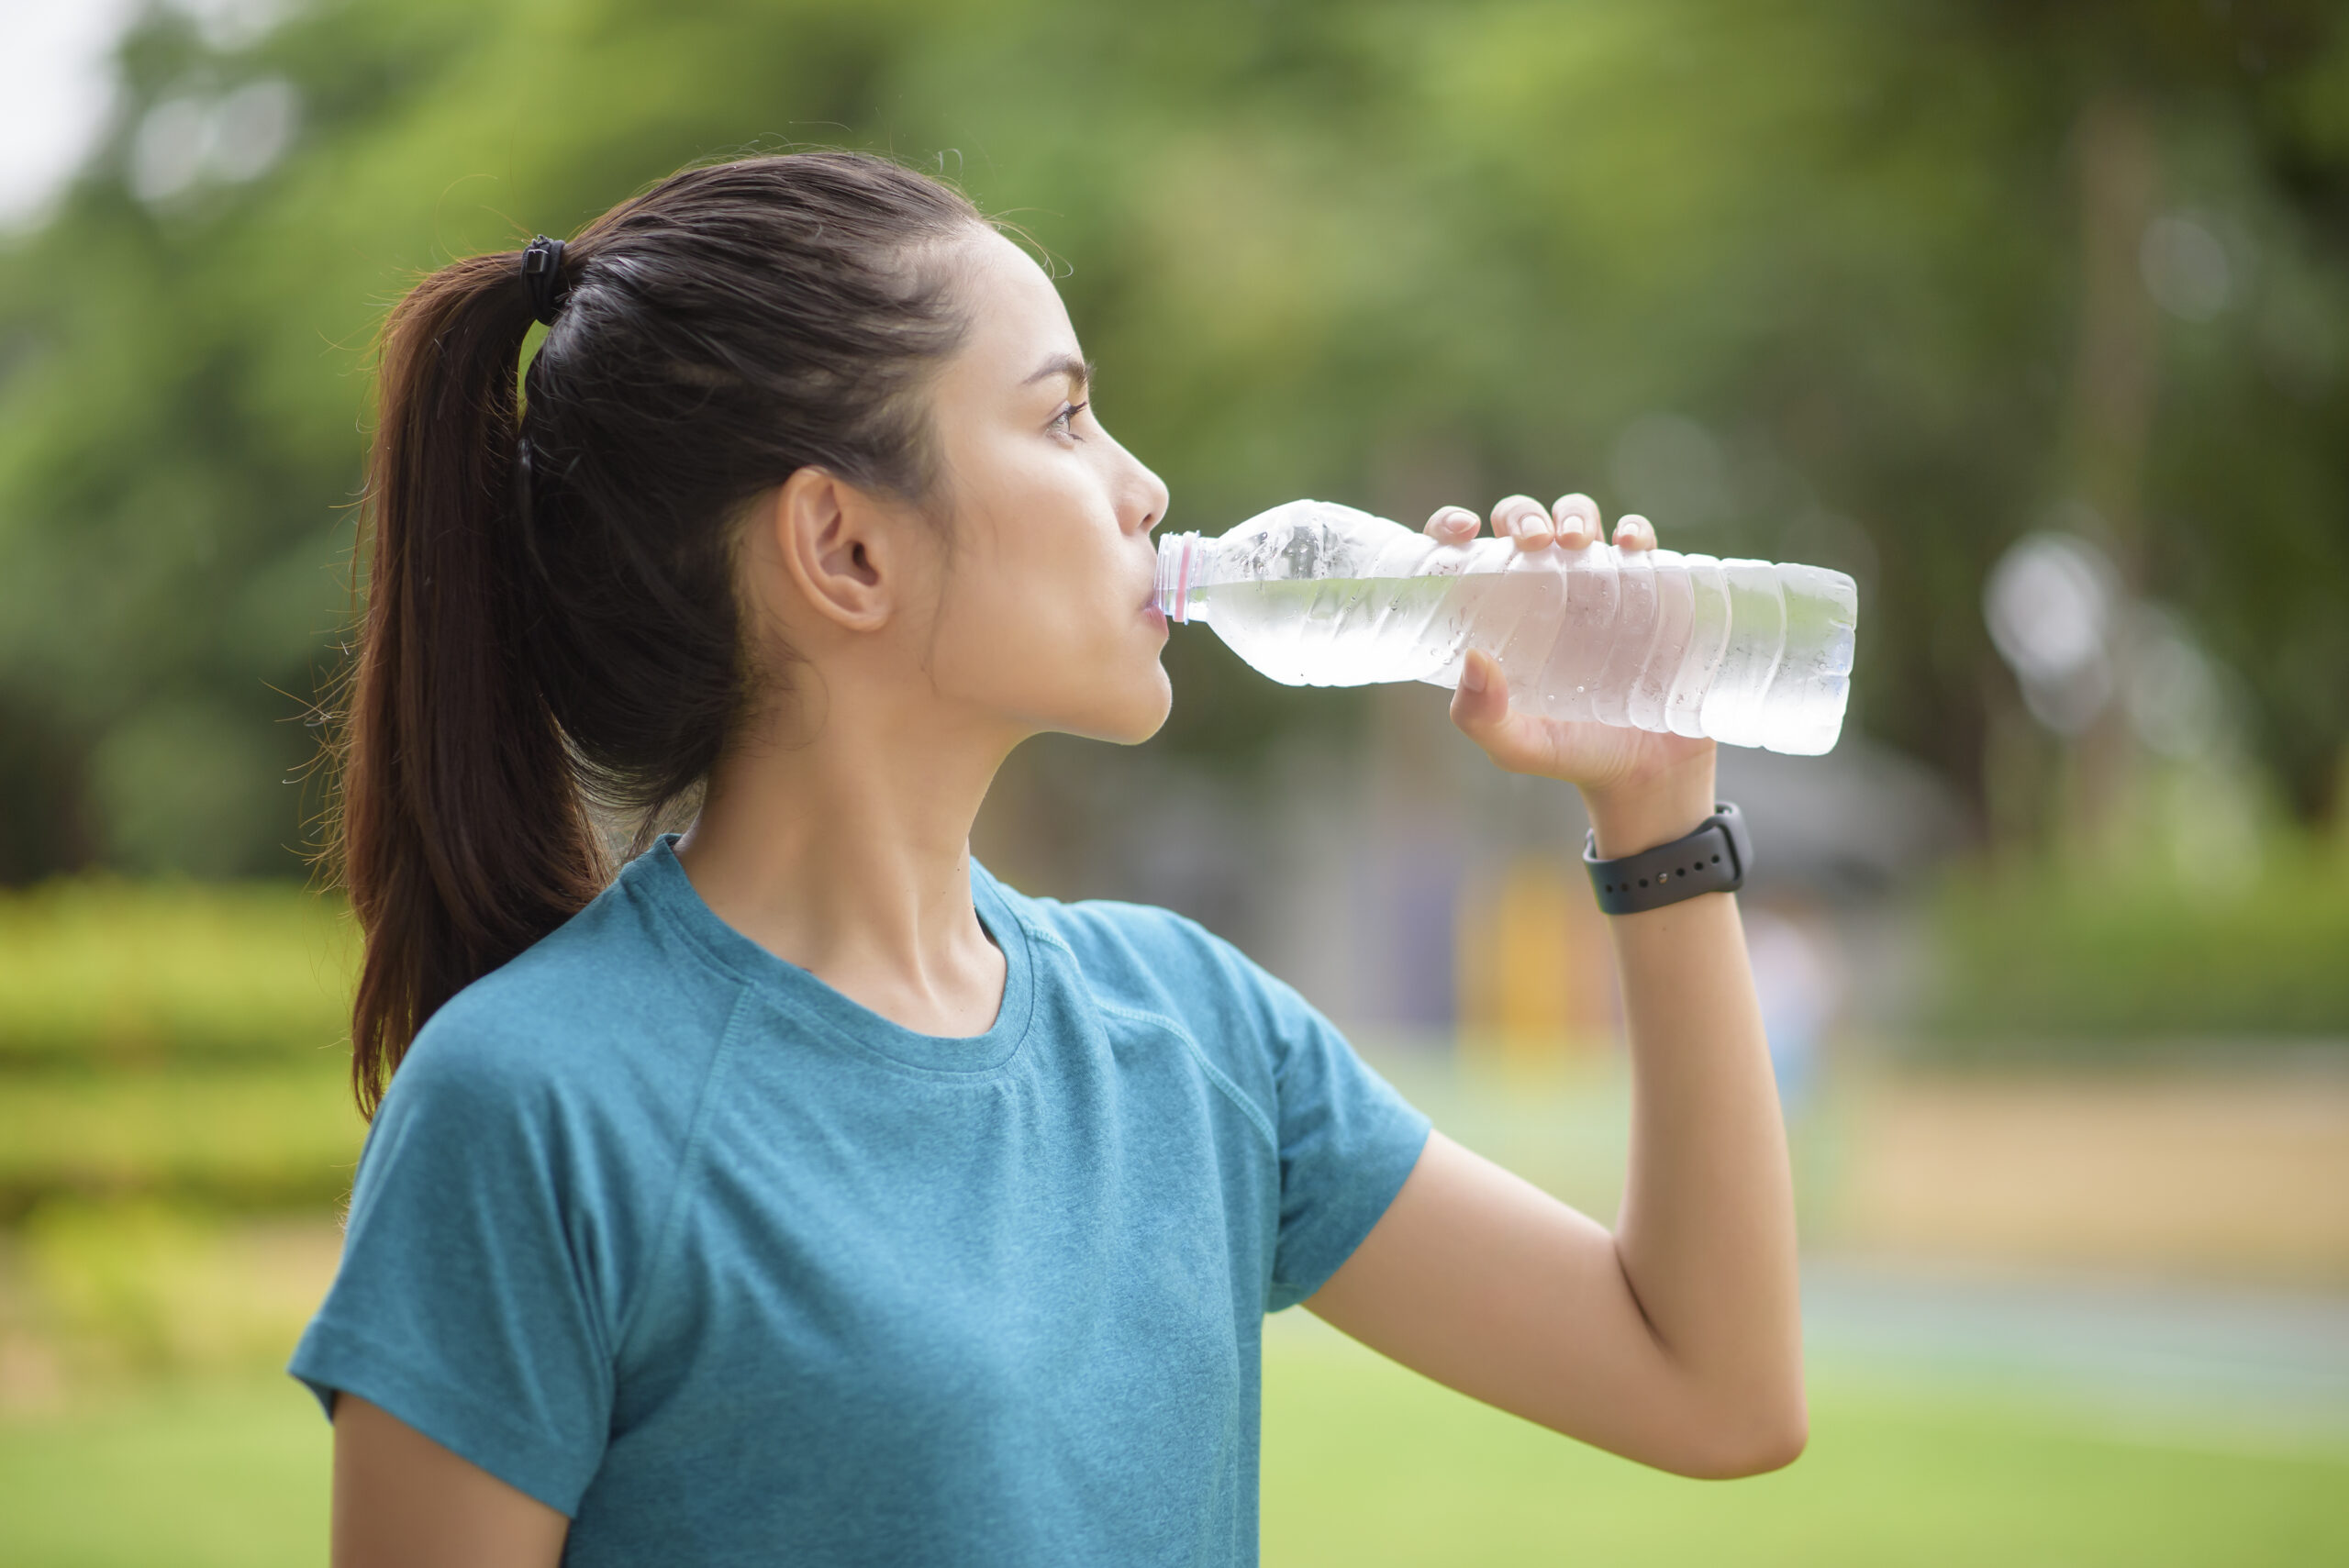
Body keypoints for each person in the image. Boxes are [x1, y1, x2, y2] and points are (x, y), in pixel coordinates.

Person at [293, 150, 1804, 1568]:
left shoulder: (1198, 1033)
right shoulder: (532, 1109)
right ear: (844, 547)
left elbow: (1714, 1387)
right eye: (1064, 418)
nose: (1143, 488)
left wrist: (1656, 813)